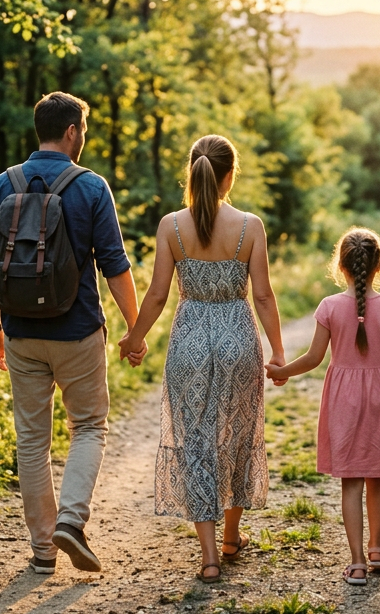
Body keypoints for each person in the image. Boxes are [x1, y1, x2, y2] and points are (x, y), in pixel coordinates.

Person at [0, 91, 143, 576]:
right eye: (83, 130)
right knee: (89, 426)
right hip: (77, 332)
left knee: (32, 440)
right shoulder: (90, 187)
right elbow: (115, 267)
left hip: (21, 334)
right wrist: (135, 329)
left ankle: (43, 551)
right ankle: (71, 519)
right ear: (72, 131)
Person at [118, 135, 284, 583]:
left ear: (193, 171)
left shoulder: (171, 226)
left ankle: (209, 556)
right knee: (236, 432)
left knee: (196, 440)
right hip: (238, 339)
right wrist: (279, 352)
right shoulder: (251, 227)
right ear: (230, 175)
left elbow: (155, 295)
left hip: (190, 339)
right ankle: (232, 538)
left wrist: (134, 338)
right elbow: (264, 296)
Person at [266, 228, 380, 586]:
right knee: (376, 473)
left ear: (340, 265)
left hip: (342, 398)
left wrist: (282, 372)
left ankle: (356, 562)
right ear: (378, 265)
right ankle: (377, 547)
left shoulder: (329, 307)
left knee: (351, 479)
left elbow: (312, 358)